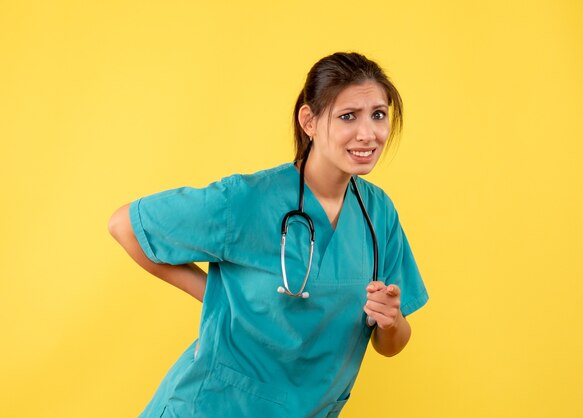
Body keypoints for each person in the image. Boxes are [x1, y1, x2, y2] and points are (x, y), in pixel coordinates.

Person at [109, 51, 429, 418]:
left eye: (378, 115)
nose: (368, 133)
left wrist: (391, 320)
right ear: (309, 121)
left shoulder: (379, 215)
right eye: (347, 117)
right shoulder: (247, 200)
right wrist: (218, 298)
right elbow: (126, 226)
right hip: (212, 406)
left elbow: (390, 345)